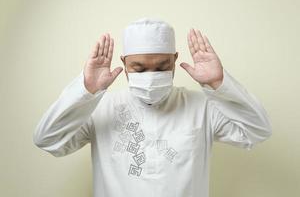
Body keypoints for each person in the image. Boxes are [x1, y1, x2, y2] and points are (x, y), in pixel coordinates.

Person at [33, 18, 272, 197]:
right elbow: (47, 139)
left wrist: (220, 84)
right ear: (124, 63)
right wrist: (85, 91)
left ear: (175, 60)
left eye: (161, 67)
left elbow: (258, 131)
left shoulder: (202, 107)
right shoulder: (100, 108)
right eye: (139, 68)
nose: (151, 76)